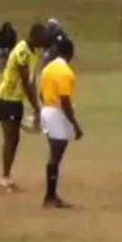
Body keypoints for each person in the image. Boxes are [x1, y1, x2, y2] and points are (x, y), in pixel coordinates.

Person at [0, 22, 47, 193]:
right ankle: (4, 178)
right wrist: (37, 108)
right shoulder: (22, 52)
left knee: (14, 139)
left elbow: (31, 80)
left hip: (15, 100)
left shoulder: (34, 52)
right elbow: (26, 82)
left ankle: (7, 177)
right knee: (11, 138)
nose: (43, 43)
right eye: (42, 39)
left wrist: (38, 101)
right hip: (6, 98)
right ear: (34, 37)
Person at [39, 36, 83, 209]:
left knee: (53, 154)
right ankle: (50, 196)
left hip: (46, 110)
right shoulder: (65, 72)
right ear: (70, 53)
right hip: (57, 114)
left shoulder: (47, 68)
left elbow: (41, 94)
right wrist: (75, 125)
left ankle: (51, 195)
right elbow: (65, 101)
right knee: (55, 157)